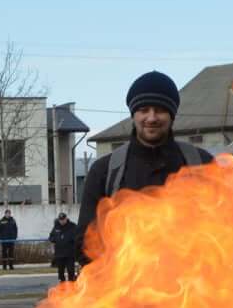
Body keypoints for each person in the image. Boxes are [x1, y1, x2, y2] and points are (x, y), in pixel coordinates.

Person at [77, 70, 212, 241]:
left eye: (160, 110)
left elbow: (228, 229)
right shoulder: (106, 171)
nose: (152, 118)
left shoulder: (202, 164)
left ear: (172, 115)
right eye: (144, 110)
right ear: (133, 115)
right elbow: (85, 240)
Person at [48, 211, 82, 282]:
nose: (62, 221)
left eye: (63, 219)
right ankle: (62, 285)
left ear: (66, 218)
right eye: (60, 220)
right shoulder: (56, 227)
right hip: (59, 254)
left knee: (70, 271)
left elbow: (78, 237)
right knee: (60, 272)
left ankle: (72, 285)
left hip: (69, 253)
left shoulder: (72, 226)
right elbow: (51, 237)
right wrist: (52, 245)